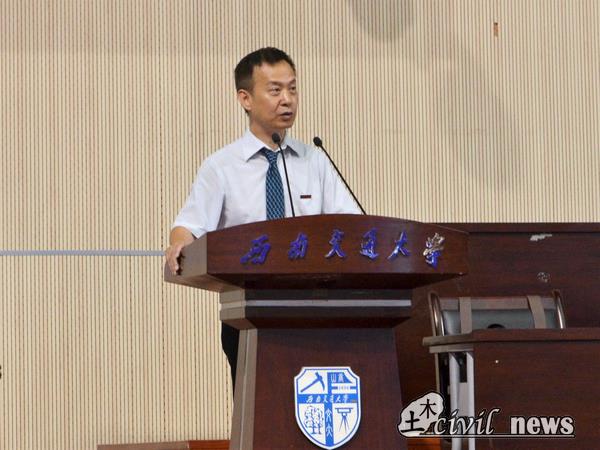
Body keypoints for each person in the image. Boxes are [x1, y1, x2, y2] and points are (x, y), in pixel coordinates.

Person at [165, 47, 361, 386]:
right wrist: (178, 243)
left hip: (315, 311)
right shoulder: (221, 167)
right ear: (245, 98)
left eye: (293, 89)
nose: (287, 99)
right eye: (275, 90)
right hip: (247, 314)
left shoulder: (315, 161)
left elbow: (353, 225)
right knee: (258, 409)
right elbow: (188, 226)